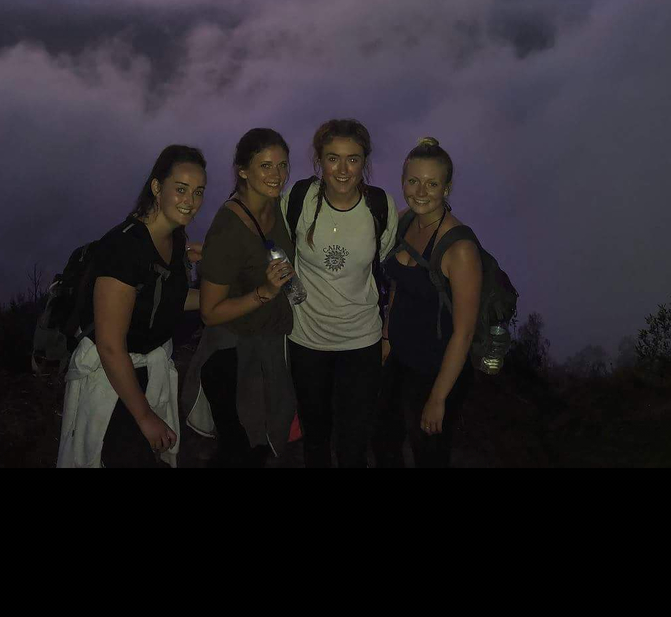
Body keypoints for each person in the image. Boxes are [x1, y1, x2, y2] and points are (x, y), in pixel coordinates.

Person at [57, 144, 207, 468]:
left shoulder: (174, 238)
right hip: (115, 380)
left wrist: (236, 298)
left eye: (198, 192)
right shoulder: (124, 249)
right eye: (181, 189)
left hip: (146, 369)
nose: (191, 202)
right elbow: (111, 346)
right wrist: (144, 416)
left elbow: (171, 300)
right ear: (157, 187)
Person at [282, 118, 398, 468]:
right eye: (333, 158)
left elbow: (387, 269)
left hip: (361, 342)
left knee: (353, 444)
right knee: (315, 438)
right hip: (307, 340)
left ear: (365, 161)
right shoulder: (299, 200)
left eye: (354, 158)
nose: (344, 169)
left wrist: (387, 334)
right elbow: (268, 242)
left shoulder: (380, 207)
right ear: (319, 161)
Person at [180, 128, 297, 468]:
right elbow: (209, 313)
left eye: (283, 165)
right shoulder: (229, 227)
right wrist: (264, 292)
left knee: (262, 445)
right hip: (233, 358)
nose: (277, 176)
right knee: (244, 451)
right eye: (265, 166)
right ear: (243, 170)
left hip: (268, 348)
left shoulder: (273, 206)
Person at [372, 136, 481, 469]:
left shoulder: (458, 249)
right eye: (413, 181)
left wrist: (438, 398)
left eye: (432, 184)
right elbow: (399, 287)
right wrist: (388, 336)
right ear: (403, 181)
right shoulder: (406, 221)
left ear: (446, 188)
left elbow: (464, 332)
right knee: (383, 442)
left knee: (429, 455)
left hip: (437, 369)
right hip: (400, 358)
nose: (421, 191)